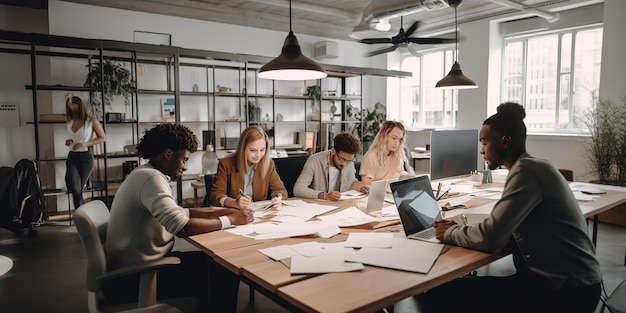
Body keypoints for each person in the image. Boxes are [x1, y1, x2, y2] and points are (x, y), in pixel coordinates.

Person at [422, 103, 602, 313]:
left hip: (566, 292)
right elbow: (501, 226)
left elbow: (492, 238)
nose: (482, 150)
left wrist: (451, 232)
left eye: (485, 143)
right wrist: (468, 230)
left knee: (440, 295)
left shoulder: (526, 171)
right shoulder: (535, 165)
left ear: (505, 141)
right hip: (566, 283)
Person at [104, 123, 253, 312]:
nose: (185, 166)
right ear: (168, 154)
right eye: (184, 159)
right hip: (132, 279)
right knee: (224, 272)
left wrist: (220, 212)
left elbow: (179, 211)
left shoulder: (145, 174)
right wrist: (231, 221)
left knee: (216, 264)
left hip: (135, 270)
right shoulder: (151, 179)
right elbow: (182, 227)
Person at [210, 125, 287, 209]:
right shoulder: (225, 164)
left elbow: (280, 189)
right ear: (242, 148)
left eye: (262, 150)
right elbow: (216, 195)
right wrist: (234, 203)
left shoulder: (268, 164)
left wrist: (278, 198)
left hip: (258, 214)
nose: (258, 155)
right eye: (252, 150)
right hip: (234, 213)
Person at [293, 132, 368, 201]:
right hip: (319, 206)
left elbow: (351, 182)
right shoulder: (315, 160)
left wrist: (361, 188)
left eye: (348, 161)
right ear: (333, 151)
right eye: (342, 160)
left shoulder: (349, 163)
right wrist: (323, 195)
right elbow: (298, 188)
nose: (345, 164)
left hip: (340, 205)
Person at [64, 95, 106, 208]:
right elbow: (72, 138)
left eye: (73, 106)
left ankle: (81, 215)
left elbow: (102, 138)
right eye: (69, 107)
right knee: (74, 187)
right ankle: (82, 214)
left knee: (78, 189)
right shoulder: (69, 121)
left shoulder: (91, 121)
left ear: (79, 106)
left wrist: (84, 144)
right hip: (72, 156)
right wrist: (69, 141)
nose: (72, 109)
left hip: (85, 158)